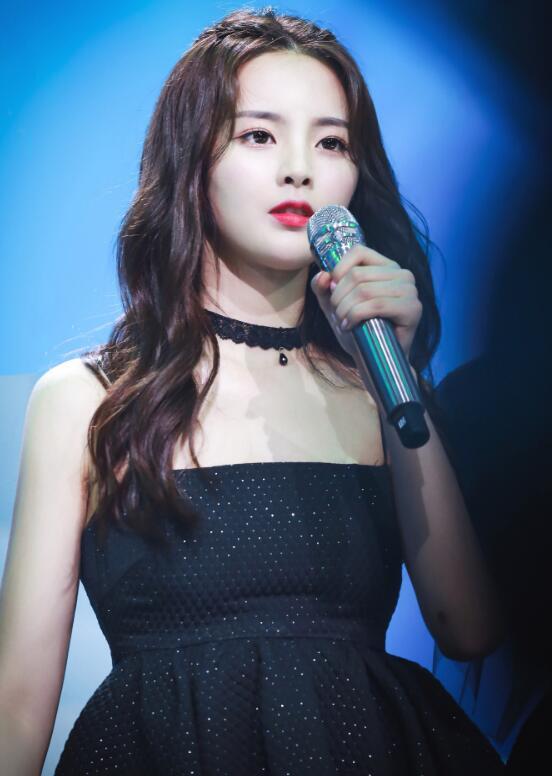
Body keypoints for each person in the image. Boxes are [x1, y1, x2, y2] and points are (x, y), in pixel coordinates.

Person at [0, 7, 506, 774]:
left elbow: (467, 627)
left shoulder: (378, 387)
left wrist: (395, 379)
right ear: (191, 159)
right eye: (259, 136)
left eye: (331, 142)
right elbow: (16, 705)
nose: (300, 169)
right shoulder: (90, 401)